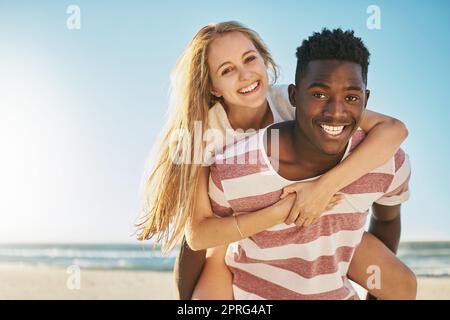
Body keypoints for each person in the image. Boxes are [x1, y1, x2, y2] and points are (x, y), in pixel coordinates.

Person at [134, 21, 412, 299]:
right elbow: (196, 236)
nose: (245, 75)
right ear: (213, 87)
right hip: (235, 230)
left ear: (264, 59)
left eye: (250, 59)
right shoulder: (200, 133)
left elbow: (394, 130)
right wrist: (283, 210)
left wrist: (323, 188)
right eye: (227, 70)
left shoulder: (293, 100)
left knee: (401, 283)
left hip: (318, 220)